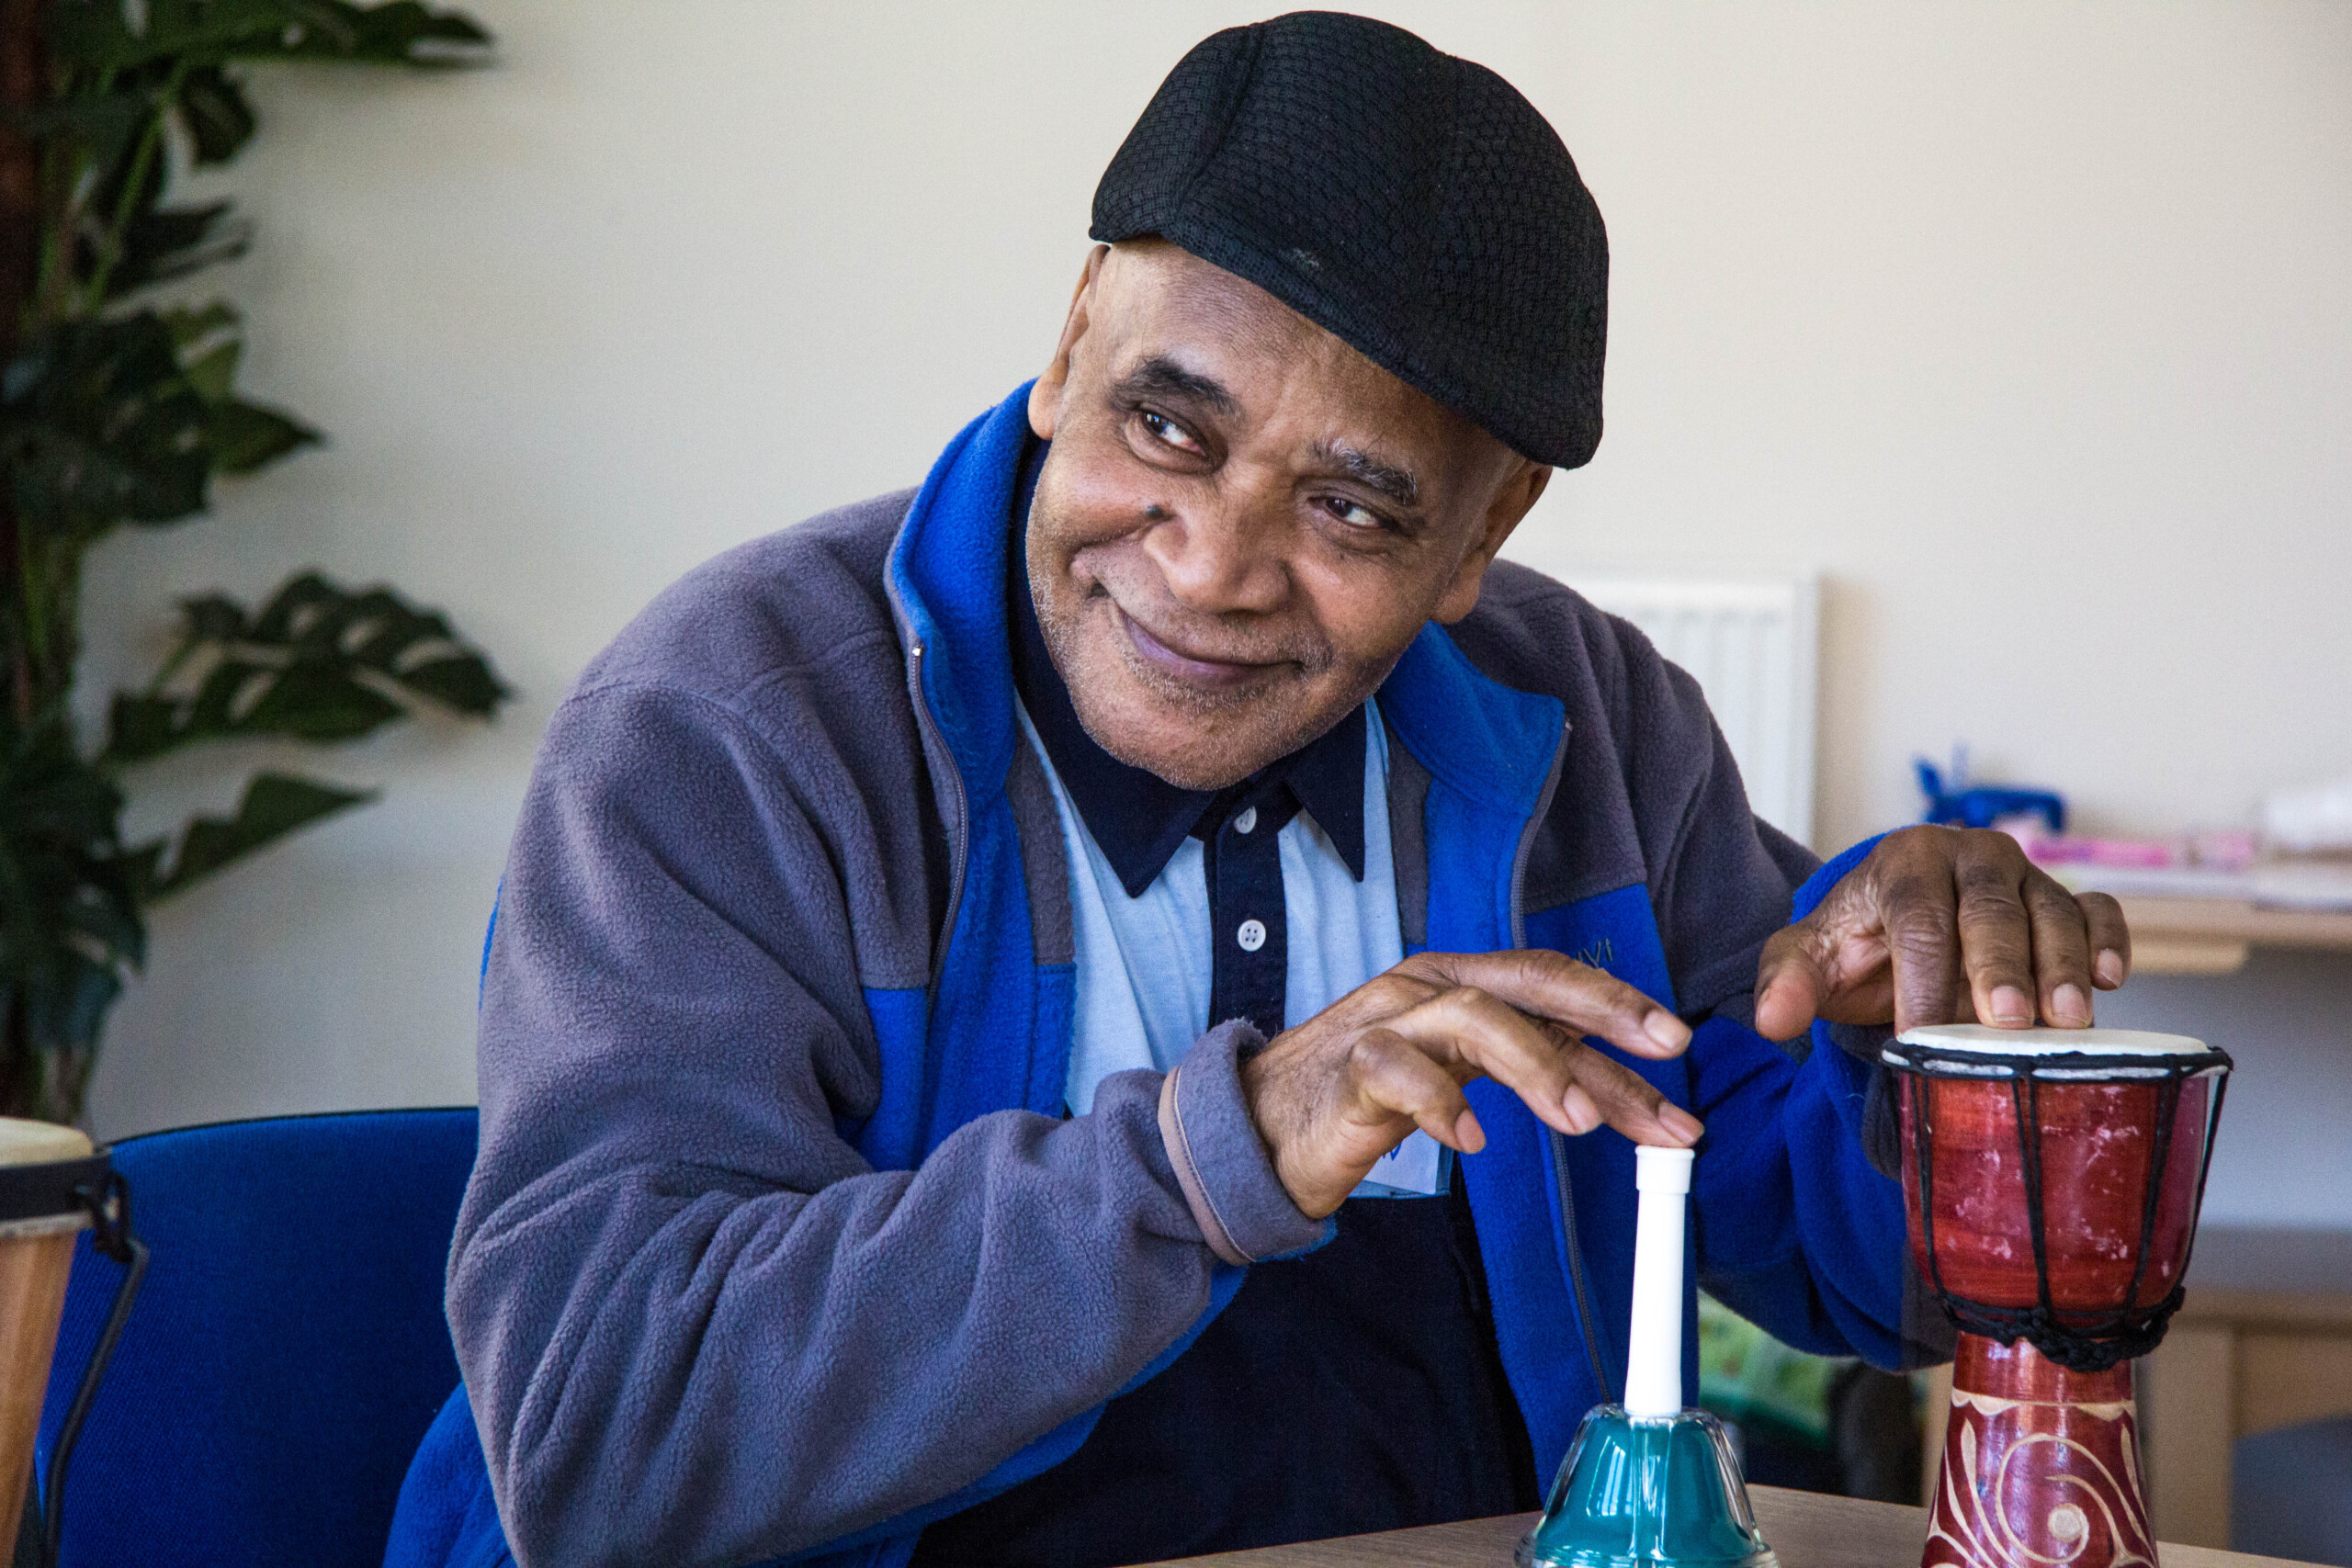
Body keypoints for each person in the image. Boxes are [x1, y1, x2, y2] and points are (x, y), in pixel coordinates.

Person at [387, 14, 2131, 1568]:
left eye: (1355, 511)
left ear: (1483, 532)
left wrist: (1942, 1057)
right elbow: (610, 1444)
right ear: (1069, 348)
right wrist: (1233, 1146)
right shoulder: (737, 727)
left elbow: (1861, 1275)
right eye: (1168, 426)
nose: (1213, 567)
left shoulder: (1583, 727)